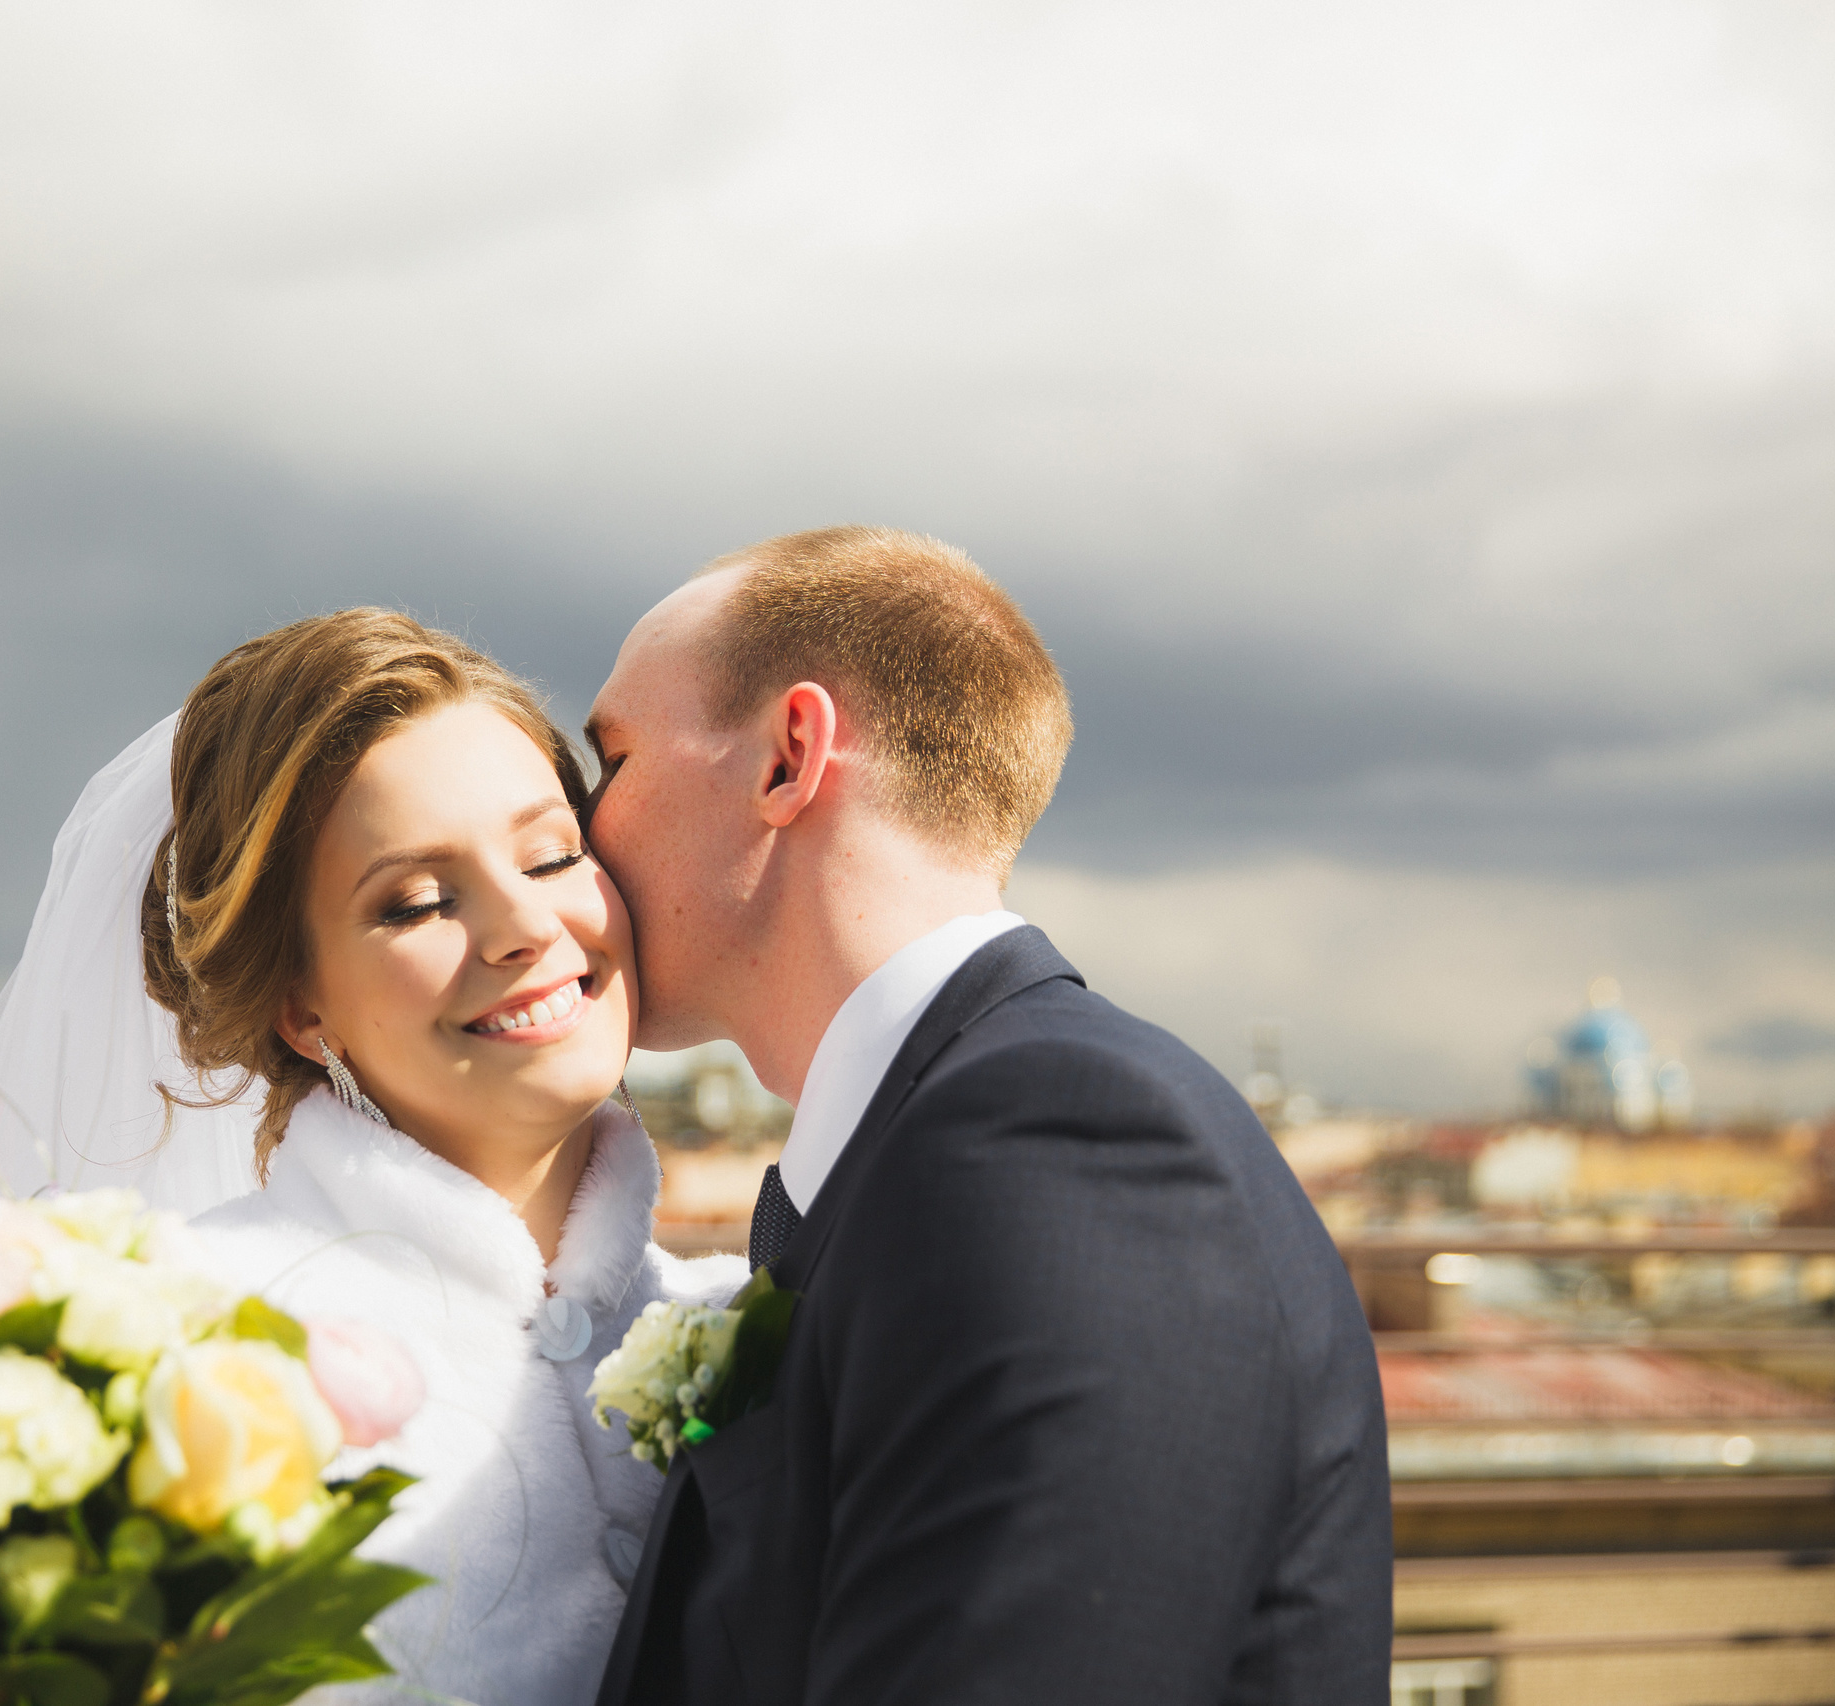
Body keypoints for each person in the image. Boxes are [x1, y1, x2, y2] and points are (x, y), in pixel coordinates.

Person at [587, 528, 1393, 1705]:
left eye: (608, 762)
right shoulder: (938, 1143)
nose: (577, 838)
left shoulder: (1058, 1145)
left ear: (786, 758)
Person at [0, 609, 744, 1706]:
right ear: (301, 1007)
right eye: (415, 900)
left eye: (554, 851)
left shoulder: (761, 1320)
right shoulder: (185, 1341)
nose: (523, 923)